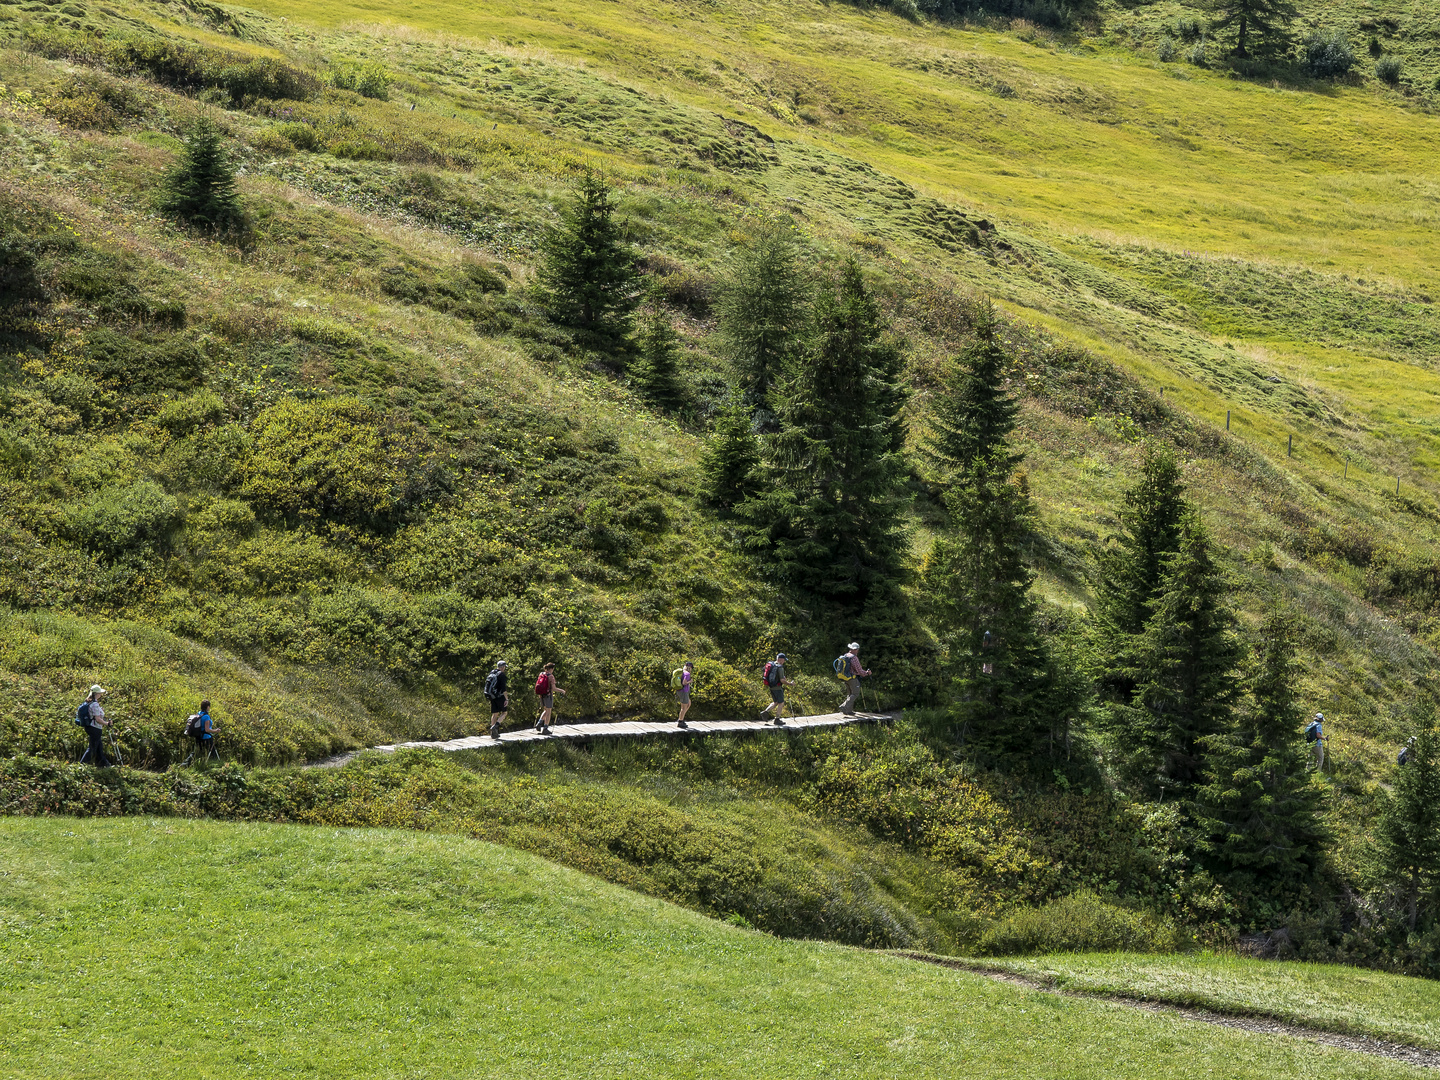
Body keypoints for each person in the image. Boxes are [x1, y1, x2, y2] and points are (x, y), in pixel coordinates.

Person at [77, 685, 112, 768]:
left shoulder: (89, 702)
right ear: (96, 694)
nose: (101, 694)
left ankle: (104, 764)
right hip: (95, 728)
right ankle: (82, 765)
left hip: (90, 727)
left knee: (99, 747)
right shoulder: (95, 704)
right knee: (92, 748)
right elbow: (97, 719)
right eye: (100, 693)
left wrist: (101, 711)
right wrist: (107, 723)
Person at [759, 653, 794, 726]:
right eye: (784, 660)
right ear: (780, 659)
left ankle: (765, 712)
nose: (784, 661)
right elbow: (782, 680)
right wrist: (790, 684)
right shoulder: (780, 667)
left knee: (776, 702)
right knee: (781, 703)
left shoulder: (772, 664)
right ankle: (777, 719)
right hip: (777, 688)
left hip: (771, 686)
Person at [837, 642, 872, 715]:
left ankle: (848, 711)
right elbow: (859, 670)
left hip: (845, 678)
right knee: (855, 693)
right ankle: (844, 706)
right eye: (857, 649)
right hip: (852, 678)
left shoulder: (846, 655)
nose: (858, 651)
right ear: (855, 649)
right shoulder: (854, 658)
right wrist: (867, 673)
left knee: (850, 694)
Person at [534, 662, 565, 734]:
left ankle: (539, 724)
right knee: (548, 711)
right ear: (551, 669)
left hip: (541, 695)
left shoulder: (541, 674)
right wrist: (562, 691)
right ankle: (545, 728)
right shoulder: (551, 676)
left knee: (545, 710)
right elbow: (554, 688)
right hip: (548, 695)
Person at [485, 660, 509, 740]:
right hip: (499, 696)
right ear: (502, 667)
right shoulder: (501, 674)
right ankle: (495, 726)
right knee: (504, 712)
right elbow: (503, 689)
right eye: (504, 667)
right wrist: (506, 699)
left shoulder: (492, 673)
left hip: (492, 696)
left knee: (494, 714)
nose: (504, 668)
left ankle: (493, 734)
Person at [675, 661, 694, 728]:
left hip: (681, 691)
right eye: (691, 667)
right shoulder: (687, 674)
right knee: (683, 707)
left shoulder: (682, 672)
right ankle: (680, 722)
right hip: (683, 691)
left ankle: (681, 718)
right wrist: (690, 681)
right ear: (689, 667)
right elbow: (684, 683)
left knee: (688, 703)